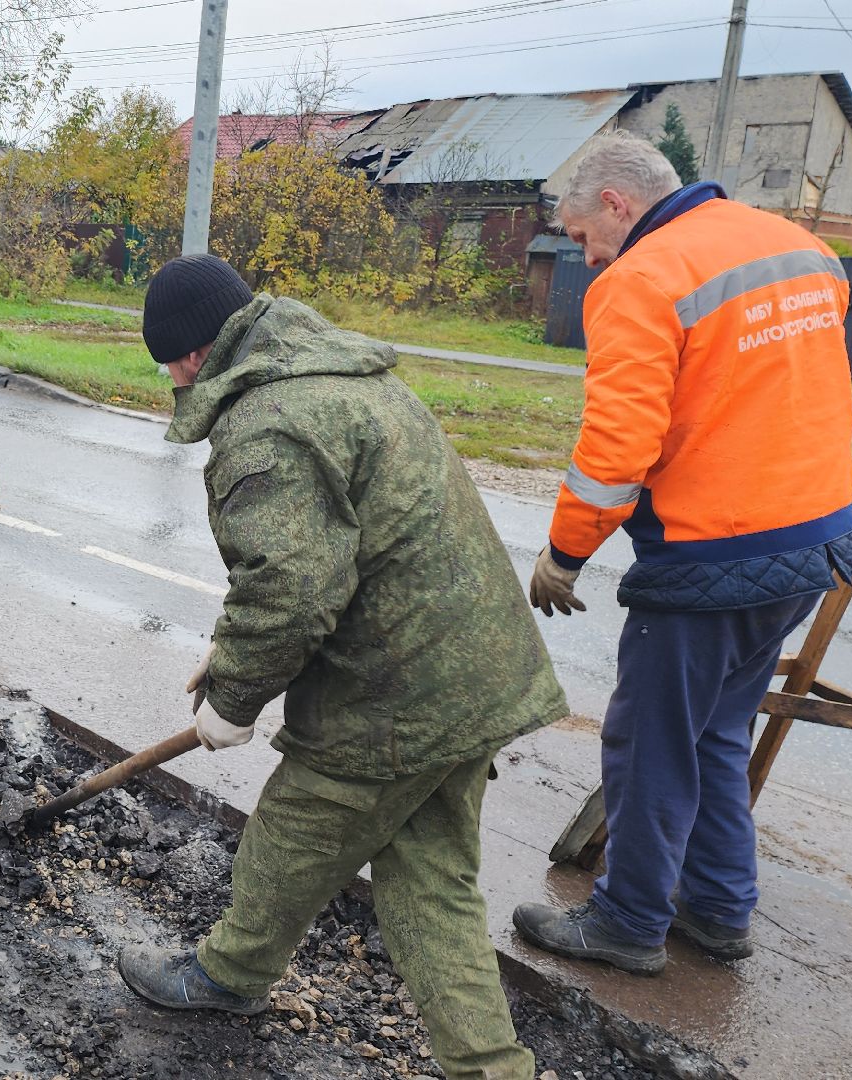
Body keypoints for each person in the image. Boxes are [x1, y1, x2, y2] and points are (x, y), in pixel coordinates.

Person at [115, 254, 568, 1080]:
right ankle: (492, 1068)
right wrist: (233, 651)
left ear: (187, 357)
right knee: (430, 879)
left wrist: (236, 699)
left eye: (166, 367)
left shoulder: (269, 423)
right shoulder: (341, 375)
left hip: (397, 693)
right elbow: (331, 550)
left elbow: (290, 589)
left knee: (291, 838)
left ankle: (228, 975)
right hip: (471, 674)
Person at [512, 132, 852, 975]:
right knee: (715, 734)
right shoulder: (800, 247)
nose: (586, 257)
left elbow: (617, 444)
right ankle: (716, 910)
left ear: (616, 204)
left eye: (580, 236)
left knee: (650, 742)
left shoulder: (642, 276)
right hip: (812, 541)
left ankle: (629, 923)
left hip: (714, 552)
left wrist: (566, 551)